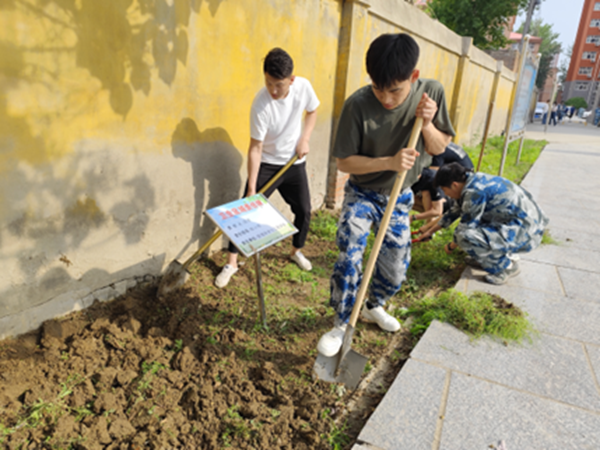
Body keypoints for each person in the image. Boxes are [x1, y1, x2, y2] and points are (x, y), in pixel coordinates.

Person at [316, 33, 455, 357]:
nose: (386, 99)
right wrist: (389, 162)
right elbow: (345, 162)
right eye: (379, 88)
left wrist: (429, 123)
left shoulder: (430, 93)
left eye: (395, 90)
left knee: (395, 267)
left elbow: (439, 147)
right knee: (350, 252)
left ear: (413, 77)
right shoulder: (357, 105)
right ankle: (341, 322)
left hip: (401, 194)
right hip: (363, 194)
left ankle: (373, 305)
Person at [215, 48, 319, 288]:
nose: (273, 90)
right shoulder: (260, 105)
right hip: (268, 164)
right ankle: (231, 262)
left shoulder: (303, 87)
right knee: (244, 211)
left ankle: (296, 251)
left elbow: (312, 111)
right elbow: (255, 148)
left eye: (279, 85)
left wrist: (305, 138)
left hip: (294, 162)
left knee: (303, 210)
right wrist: (252, 188)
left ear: (291, 80)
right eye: (268, 83)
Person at [418, 163, 549, 285]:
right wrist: (430, 232)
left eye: (444, 190)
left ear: (454, 185)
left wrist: (451, 246)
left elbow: (465, 229)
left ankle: (506, 266)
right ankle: (486, 256)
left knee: (465, 237)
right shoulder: (471, 180)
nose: (446, 194)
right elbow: (454, 212)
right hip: (522, 224)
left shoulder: (474, 192)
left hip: (527, 233)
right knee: (471, 232)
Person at [410, 142, 473, 225]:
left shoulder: (438, 153)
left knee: (430, 195)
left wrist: (413, 218)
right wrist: (428, 229)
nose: (425, 151)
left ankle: (431, 219)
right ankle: (429, 222)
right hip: (462, 177)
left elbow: (435, 176)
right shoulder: (440, 144)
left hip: (458, 180)